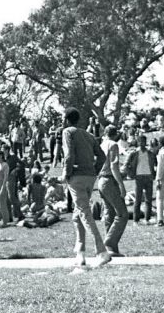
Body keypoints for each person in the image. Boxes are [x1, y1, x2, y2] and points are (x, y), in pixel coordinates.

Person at [61, 108, 111, 267]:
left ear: (67, 119)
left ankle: (102, 251)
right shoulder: (88, 135)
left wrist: (66, 173)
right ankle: (80, 253)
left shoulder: (68, 132)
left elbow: (69, 154)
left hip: (76, 176)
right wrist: (94, 170)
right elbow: (102, 156)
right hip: (90, 176)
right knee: (77, 214)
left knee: (84, 213)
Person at [96, 125, 128, 256]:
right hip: (109, 180)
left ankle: (111, 249)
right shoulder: (113, 145)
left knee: (109, 214)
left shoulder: (102, 144)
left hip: (101, 180)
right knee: (122, 214)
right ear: (115, 134)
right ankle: (109, 242)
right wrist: (121, 184)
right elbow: (114, 165)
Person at [126, 136, 156, 224]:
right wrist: (131, 174)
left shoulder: (150, 153)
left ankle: (147, 219)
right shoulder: (134, 153)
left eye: (144, 141)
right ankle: (136, 220)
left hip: (148, 177)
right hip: (138, 177)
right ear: (138, 142)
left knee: (148, 199)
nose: (142, 143)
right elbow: (126, 164)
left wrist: (153, 174)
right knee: (138, 199)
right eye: (140, 141)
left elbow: (154, 164)